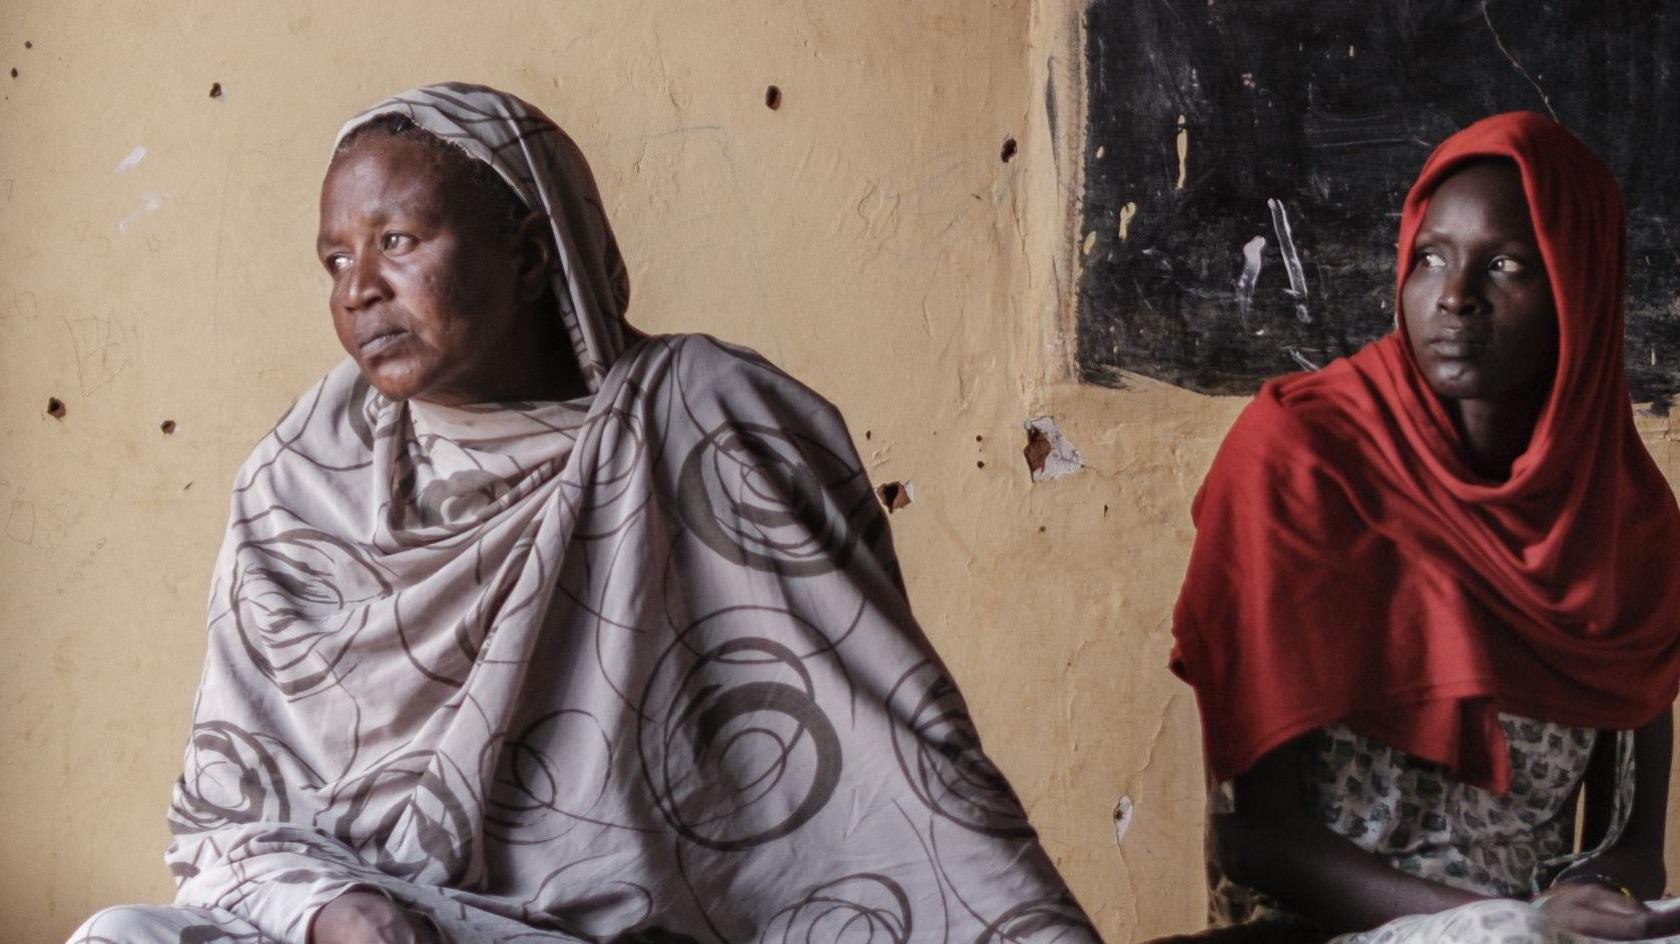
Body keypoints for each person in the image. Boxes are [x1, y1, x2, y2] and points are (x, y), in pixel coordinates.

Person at [66, 83, 1097, 944]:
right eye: (335, 260)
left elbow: (887, 753)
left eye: (397, 239)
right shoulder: (304, 474)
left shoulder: (692, 416)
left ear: (527, 251)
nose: (360, 290)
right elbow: (232, 827)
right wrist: (338, 906)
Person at [1169, 112, 1680, 944]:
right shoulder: (1299, 459)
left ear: (1579, 291)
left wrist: (1596, 902)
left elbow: (1635, 845)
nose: (1454, 296)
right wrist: (1503, 924)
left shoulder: (1624, 521)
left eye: (1507, 265)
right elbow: (1254, 833)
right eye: (1430, 257)